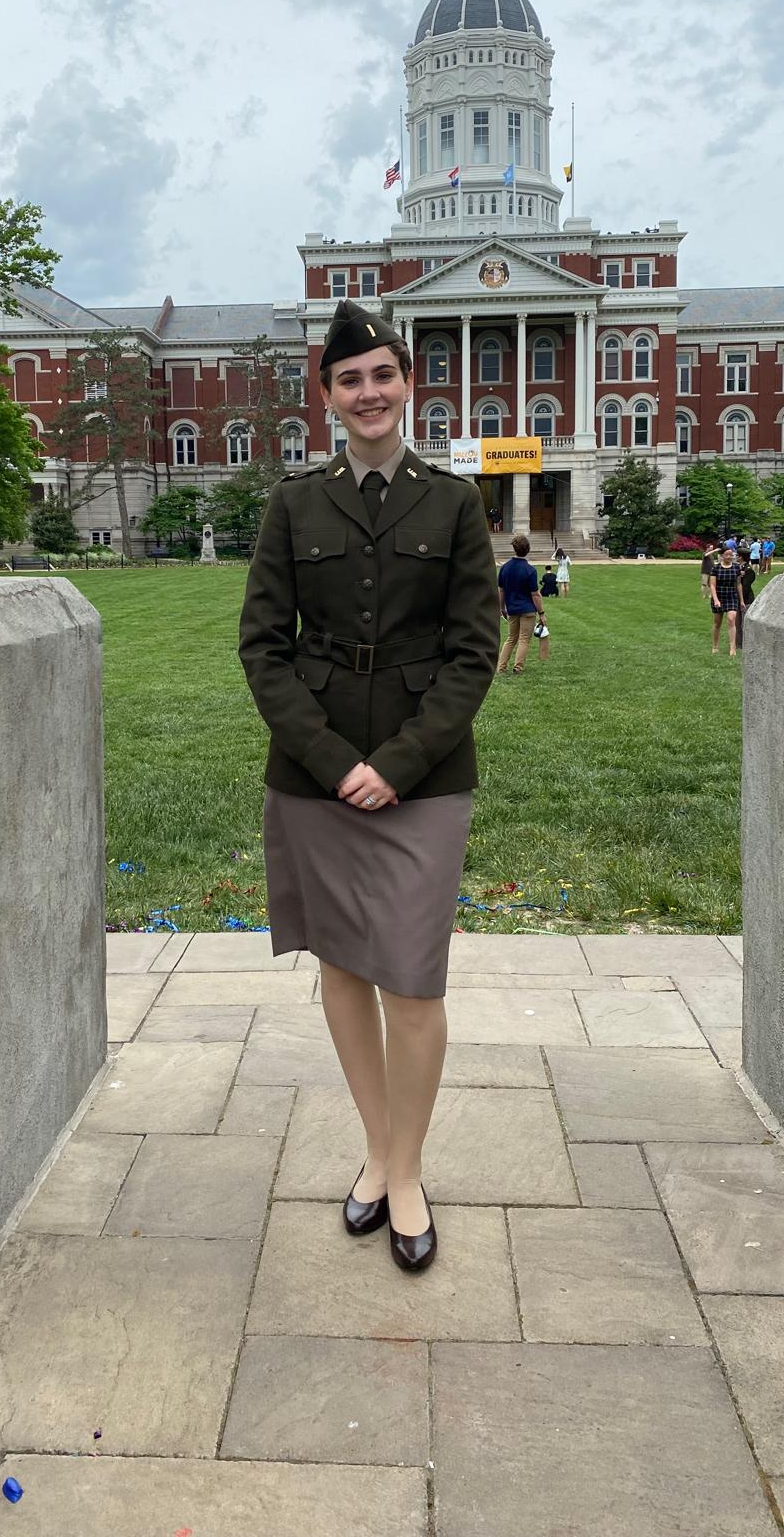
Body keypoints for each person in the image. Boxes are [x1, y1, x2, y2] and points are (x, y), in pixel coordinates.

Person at [239, 299, 497, 1273]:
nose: (369, 392)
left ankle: (408, 1168)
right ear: (329, 397)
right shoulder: (293, 505)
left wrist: (393, 765)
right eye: (349, 380)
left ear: (406, 382)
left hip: (424, 778)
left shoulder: (455, 503)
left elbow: (474, 656)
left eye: (381, 374)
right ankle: (378, 1155)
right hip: (314, 775)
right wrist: (331, 758)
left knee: (413, 980)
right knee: (343, 968)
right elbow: (263, 649)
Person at [496, 534, 541, 674]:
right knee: (524, 639)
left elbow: (501, 591)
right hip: (527, 609)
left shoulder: (504, 568)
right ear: (527, 549)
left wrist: (501, 607)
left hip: (512, 608)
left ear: (514, 549)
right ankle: (518, 666)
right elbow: (535, 595)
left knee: (511, 638)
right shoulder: (530, 570)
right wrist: (542, 613)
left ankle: (501, 667)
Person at [710, 541, 743, 657]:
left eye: (731, 555)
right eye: (727, 555)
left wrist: (742, 600)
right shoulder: (716, 568)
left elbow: (739, 584)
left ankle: (732, 647)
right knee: (717, 623)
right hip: (719, 596)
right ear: (722, 556)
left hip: (731, 596)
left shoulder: (736, 567)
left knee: (731, 619)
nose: (729, 557)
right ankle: (715, 646)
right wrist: (716, 600)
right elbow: (712, 585)